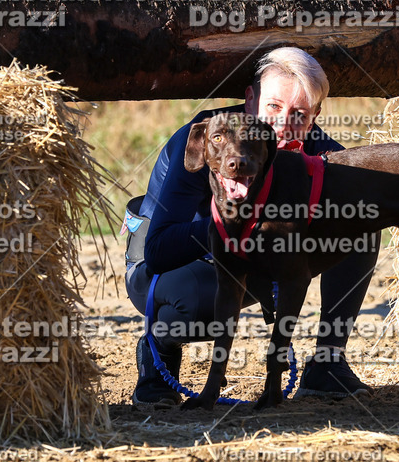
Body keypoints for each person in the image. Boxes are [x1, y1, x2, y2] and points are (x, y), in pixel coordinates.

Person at [125, 46, 379, 408]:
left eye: (299, 114)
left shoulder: (320, 148)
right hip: (168, 268)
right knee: (190, 302)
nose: (283, 124)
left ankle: (328, 362)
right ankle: (158, 355)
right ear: (251, 100)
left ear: (315, 117)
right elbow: (158, 251)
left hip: (251, 261)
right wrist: (240, 229)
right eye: (273, 107)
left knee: (360, 220)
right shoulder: (203, 138)